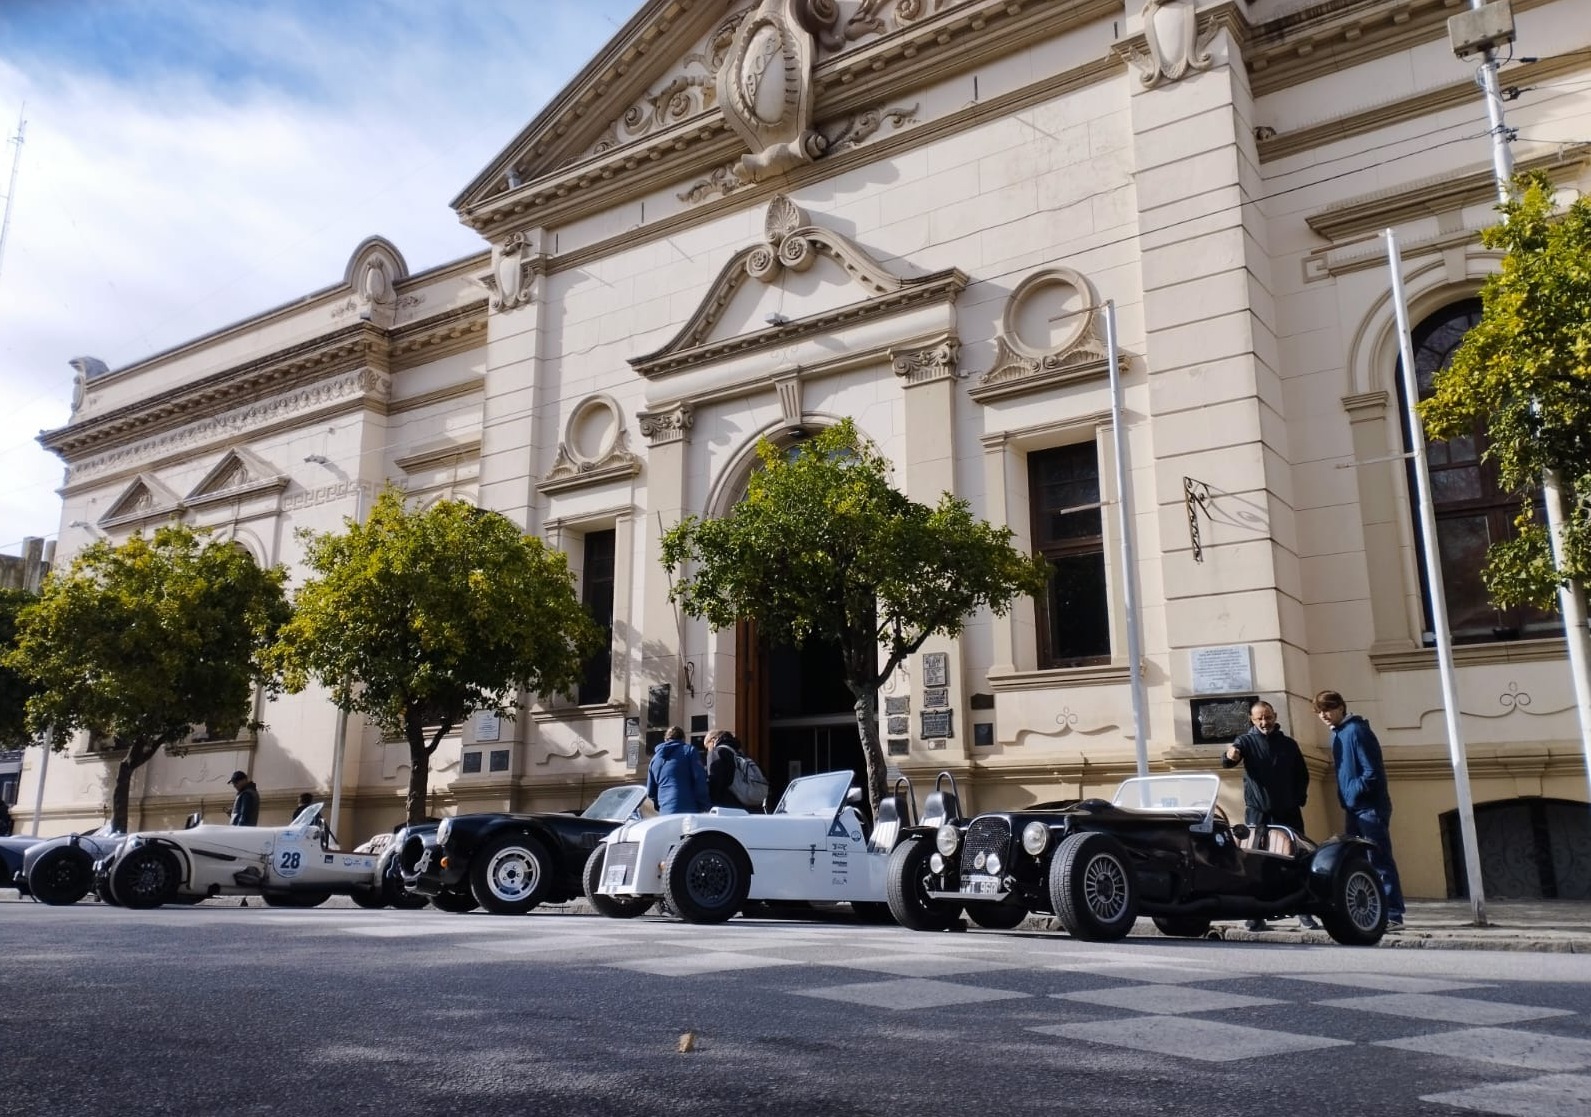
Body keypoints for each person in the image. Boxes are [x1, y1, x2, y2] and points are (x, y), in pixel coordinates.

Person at [1314, 689, 1406, 933]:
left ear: (1341, 707)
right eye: (1320, 711)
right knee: (1359, 861)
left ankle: (1393, 913)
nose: (1324, 715)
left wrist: (1353, 793)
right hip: (1353, 807)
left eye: (1328, 709)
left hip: (1369, 807)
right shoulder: (1338, 734)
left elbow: (1371, 772)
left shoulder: (1356, 731)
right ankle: (1373, 913)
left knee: (1379, 859)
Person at [1223, 700, 1316, 931]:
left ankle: (1304, 913)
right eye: (1259, 719)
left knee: (1297, 860)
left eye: (1268, 717)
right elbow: (1229, 758)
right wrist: (1231, 755)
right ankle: (1255, 915)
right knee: (1257, 863)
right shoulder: (1245, 741)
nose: (1265, 722)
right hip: (1259, 814)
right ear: (1251, 720)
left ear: (1274, 715)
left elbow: (1302, 775)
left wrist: (1297, 799)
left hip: (1288, 813)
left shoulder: (1288, 744)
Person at [647, 725, 708, 814]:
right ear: (683, 739)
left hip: (665, 810)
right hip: (688, 808)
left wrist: (661, 805)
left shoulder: (655, 759)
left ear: (665, 740)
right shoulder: (689, 751)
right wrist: (705, 806)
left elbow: (651, 792)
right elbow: (699, 779)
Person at [706, 729, 745, 810]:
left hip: (725, 804)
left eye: (707, 746)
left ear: (713, 740)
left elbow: (715, 780)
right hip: (743, 801)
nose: (708, 750)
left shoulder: (716, 752)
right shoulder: (738, 752)